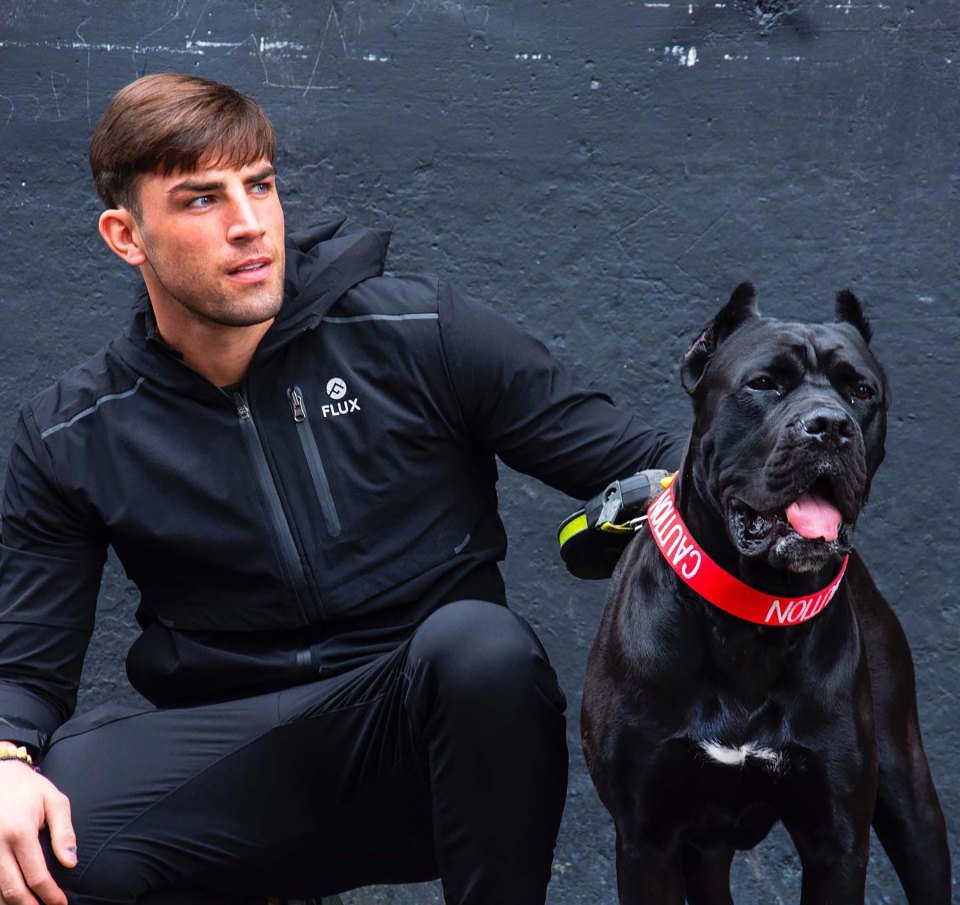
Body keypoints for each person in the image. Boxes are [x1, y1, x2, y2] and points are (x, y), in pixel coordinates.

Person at [0, 74, 681, 905]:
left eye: (260, 185)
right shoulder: (73, 431)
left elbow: (651, 467)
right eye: (202, 200)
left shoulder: (418, 333)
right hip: (238, 761)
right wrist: (4, 762)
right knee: (34, 838)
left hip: (431, 747)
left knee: (480, 645)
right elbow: (27, 669)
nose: (250, 224)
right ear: (125, 234)